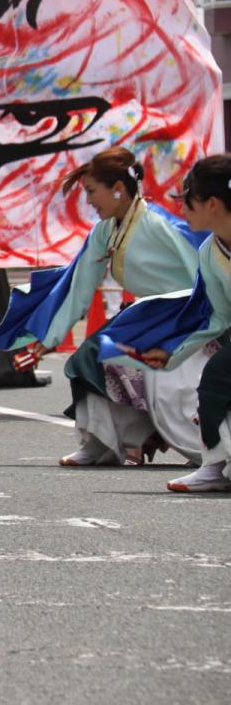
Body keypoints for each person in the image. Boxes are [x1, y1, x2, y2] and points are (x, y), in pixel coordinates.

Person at [0, 147, 206, 466]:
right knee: (91, 357)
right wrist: (48, 339)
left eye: (91, 191)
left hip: (184, 316)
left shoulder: (161, 225)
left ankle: (199, 449)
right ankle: (101, 440)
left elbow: (203, 270)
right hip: (150, 317)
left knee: (99, 352)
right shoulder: (105, 231)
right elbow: (78, 288)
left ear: (117, 188)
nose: (88, 200)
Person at [97, 155, 231, 492]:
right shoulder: (209, 252)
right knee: (216, 378)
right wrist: (174, 352)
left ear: (212, 204)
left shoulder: (157, 226)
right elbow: (217, 315)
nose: (182, 210)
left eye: (189, 201)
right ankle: (214, 463)